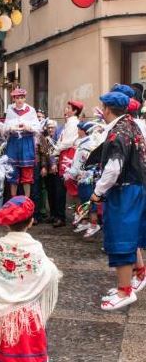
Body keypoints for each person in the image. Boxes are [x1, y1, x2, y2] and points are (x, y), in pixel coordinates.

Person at [0, 195, 61, 362]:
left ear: (7, 223)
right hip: (26, 317)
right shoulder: (34, 248)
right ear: (31, 221)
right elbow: (51, 273)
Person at [90, 91, 146, 311]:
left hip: (124, 191)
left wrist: (98, 191)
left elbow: (114, 168)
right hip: (134, 188)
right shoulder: (131, 124)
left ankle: (125, 290)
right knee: (129, 237)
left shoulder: (118, 132)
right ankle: (133, 279)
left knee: (121, 239)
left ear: (107, 109)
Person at [52, 100, 84, 227]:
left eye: (68, 107)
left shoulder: (73, 123)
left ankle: (74, 217)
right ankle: (65, 216)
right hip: (65, 154)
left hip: (69, 155)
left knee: (70, 187)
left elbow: (67, 142)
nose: (66, 109)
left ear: (75, 111)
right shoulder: (69, 123)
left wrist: (55, 150)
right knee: (64, 187)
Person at [4, 88, 40, 198]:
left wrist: (28, 127)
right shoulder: (10, 110)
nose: (19, 100)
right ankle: (13, 199)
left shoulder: (31, 110)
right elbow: (5, 127)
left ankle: (27, 200)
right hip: (14, 142)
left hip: (27, 141)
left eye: (21, 97)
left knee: (27, 171)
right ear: (14, 98)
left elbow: (37, 128)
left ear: (24, 98)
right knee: (12, 171)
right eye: (17, 98)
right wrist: (11, 128)